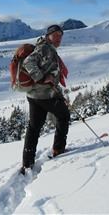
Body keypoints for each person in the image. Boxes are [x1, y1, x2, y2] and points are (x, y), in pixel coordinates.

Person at [20, 24, 70, 174]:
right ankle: (58, 149)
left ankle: (27, 163)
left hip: (34, 95)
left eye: (60, 35)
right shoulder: (45, 48)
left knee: (34, 127)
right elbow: (28, 62)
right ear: (48, 36)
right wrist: (41, 78)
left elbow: (51, 74)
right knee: (63, 116)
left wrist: (50, 83)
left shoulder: (46, 48)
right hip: (44, 95)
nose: (59, 38)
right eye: (55, 35)